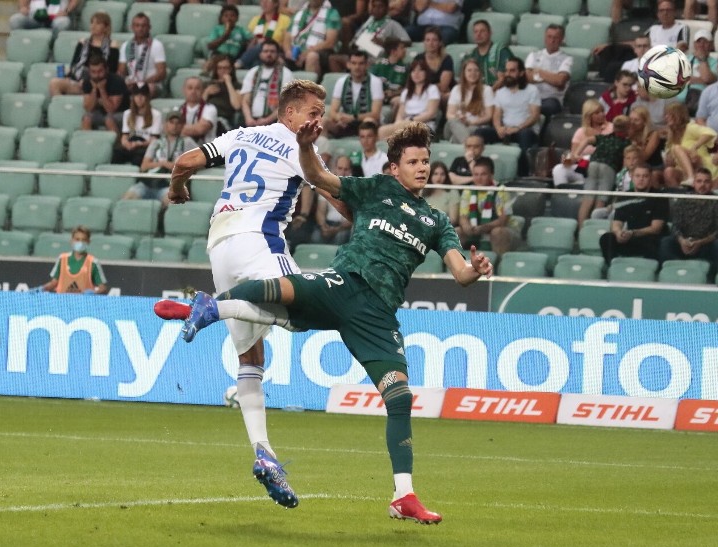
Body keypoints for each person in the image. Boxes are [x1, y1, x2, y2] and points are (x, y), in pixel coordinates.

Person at [156, 119, 493, 523]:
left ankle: (403, 496)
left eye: (426, 161)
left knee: (400, 397)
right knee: (282, 288)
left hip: (378, 315)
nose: (423, 167)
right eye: (414, 161)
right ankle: (211, 307)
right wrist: (303, 145)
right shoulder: (375, 190)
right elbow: (316, 175)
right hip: (343, 283)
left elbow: (460, 274)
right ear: (394, 168)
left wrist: (477, 268)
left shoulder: (436, 221)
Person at [153, 80, 353, 510]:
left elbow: (186, 160)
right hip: (260, 241)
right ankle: (211, 308)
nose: (319, 119)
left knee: (251, 359)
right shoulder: (300, 149)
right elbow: (339, 200)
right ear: (290, 114)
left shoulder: (241, 134)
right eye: (313, 111)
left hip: (219, 245)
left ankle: (264, 453)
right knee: (306, 315)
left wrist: (175, 190)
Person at [476, 57, 541, 178]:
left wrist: (518, 127)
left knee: (525, 135)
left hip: (525, 130)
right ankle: (478, 171)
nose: (508, 74)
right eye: (506, 71)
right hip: (505, 131)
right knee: (479, 133)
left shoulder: (532, 90)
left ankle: (523, 176)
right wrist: (498, 128)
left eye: (512, 71)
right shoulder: (501, 92)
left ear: (521, 73)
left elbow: (534, 116)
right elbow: (496, 115)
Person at [658, 167, 718, 278]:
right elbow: (675, 226)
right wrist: (681, 241)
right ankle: (670, 275)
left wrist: (700, 242)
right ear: (694, 183)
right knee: (666, 242)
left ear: (711, 184)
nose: (702, 185)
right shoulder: (683, 199)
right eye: (699, 181)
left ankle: (712, 279)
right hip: (684, 243)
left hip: (706, 244)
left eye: (706, 181)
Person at [599, 163, 668, 263]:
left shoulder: (660, 197)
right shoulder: (624, 196)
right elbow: (617, 223)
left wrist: (632, 233)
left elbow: (656, 228)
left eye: (645, 176)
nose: (641, 179)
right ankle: (613, 268)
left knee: (656, 242)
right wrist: (618, 233)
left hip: (649, 238)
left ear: (650, 177)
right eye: (638, 176)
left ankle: (648, 272)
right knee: (606, 238)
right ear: (631, 176)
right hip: (630, 237)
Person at [124, 111, 198, 202]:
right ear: (165, 125)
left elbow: (201, 159)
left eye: (178, 123)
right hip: (148, 183)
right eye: (171, 122)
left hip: (170, 185)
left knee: (171, 200)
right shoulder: (156, 143)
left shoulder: (187, 142)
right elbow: (144, 166)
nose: (174, 126)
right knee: (128, 197)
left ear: (182, 125)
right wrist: (164, 164)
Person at [574, 115, 632, 228]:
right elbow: (626, 160)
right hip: (609, 168)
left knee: (588, 199)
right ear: (627, 128)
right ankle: (594, 228)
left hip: (593, 164)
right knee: (601, 199)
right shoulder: (626, 144)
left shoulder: (603, 138)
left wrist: (576, 154)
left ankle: (581, 230)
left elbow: (586, 140)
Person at [459, 156, 521, 256]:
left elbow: (503, 220)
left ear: (491, 175)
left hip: (504, 231)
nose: (478, 178)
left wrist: (483, 228)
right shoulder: (468, 191)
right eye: (476, 174)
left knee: (498, 232)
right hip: (476, 229)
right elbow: (463, 217)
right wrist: (467, 227)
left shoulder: (502, 190)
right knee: (456, 231)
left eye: (483, 174)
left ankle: (499, 268)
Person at [49, 11, 120, 97]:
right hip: (79, 79)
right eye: (92, 22)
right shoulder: (83, 42)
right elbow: (74, 63)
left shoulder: (112, 45)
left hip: (99, 82)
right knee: (54, 83)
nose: (93, 26)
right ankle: (61, 108)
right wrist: (69, 76)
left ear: (106, 27)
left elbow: (112, 69)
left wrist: (89, 81)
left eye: (97, 23)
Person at [328, 0, 410, 72]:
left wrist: (385, 42)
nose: (376, 9)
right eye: (374, 6)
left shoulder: (392, 24)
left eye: (380, 6)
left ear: (386, 8)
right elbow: (356, 38)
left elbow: (407, 41)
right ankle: (346, 83)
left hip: (374, 59)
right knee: (333, 59)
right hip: (358, 54)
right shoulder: (369, 22)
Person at [324, 50, 384, 138]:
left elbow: (376, 114)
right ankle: (321, 149)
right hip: (345, 122)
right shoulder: (341, 82)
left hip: (365, 122)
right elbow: (333, 111)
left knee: (369, 121)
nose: (357, 67)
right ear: (348, 64)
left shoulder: (375, 82)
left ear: (367, 65)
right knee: (323, 122)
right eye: (354, 63)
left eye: (361, 64)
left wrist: (353, 118)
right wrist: (339, 118)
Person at [34, 226, 110, 294]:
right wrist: (41, 289)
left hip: (83, 305)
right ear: (72, 241)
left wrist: (94, 293)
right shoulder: (62, 258)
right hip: (62, 303)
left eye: (83, 240)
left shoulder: (93, 262)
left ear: (88, 242)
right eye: (77, 239)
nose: (80, 242)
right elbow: (54, 283)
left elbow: (103, 288)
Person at [378, 58, 440, 139]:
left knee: (394, 136)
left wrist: (411, 120)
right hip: (405, 124)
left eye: (420, 70)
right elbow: (400, 115)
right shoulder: (406, 92)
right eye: (413, 71)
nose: (416, 73)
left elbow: (431, 114)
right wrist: (399, 124)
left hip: (424, 124)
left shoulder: (432, 89)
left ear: (426, 73)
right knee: (382, 130)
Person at [662, 102, 718, 187]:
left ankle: (691, 178)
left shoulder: (690, 127)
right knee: (668, 171)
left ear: (678, 115)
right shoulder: (671, 136)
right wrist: (669, 160)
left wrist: (694, 147)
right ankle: (679, 195)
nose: (666, 117)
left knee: (677, 148)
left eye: (669, 114)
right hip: (683, 170)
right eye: (665, 115)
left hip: (700, 164)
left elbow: (710, 133)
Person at [525, 24, 572, 126]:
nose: (552, 40)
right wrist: (551, 77)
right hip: (531, 97)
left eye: (555, 38)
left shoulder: (566, 59)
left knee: (546, 107)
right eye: (549, 37)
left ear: (561, 39)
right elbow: (526, 77)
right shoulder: (534, 55)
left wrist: (539, 72)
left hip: (552, 99)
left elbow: (559, 81)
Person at [241, 39, 295, 127]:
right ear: (260, 54)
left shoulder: (286, 73)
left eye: (272, 51)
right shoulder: (253, 72)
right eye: (265, 51)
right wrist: (248, 118)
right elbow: (245, 100)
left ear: (278, 54)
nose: (269, 54)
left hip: (275, 122)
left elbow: (287, 103)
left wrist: (267, 120)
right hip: (251, 121)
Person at [282, 0, 341, 80]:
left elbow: (330, 42)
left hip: (320, 52)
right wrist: (288, 51)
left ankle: (309, 90)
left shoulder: (331, 13)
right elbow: (287, 37)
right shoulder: (299, 13)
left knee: (311, 57)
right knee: (276, 58)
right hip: (296, 51)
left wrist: (306, 53)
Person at [444, 58, 494, 144]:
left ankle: (463, 145)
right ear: (463, 73)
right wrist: (459, 119)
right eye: (469, 70)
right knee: (453, 122)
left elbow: (488, 116)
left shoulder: (487, 90)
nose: (473, 73)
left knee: (470, 130)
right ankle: (470, 144)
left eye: (476, 70)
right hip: (454, 125)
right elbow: (449, 114)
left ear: (480, 73)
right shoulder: (456, 89)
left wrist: (470, 122)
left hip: (476, 126)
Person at [118, 13, 168, 97]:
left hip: (151, 83)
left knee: (149, 88)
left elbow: (162, 73)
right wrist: (126, 81)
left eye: (143, 26)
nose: (140, 29)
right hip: (132, 82)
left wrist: (143, 82)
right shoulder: (126, 46)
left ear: (149, 27)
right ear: (132, 27)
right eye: (137, 25)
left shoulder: (156, 45)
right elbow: (121, 71)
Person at [114, 82, 162, 166]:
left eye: (142, 95)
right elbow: (124, 136)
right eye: (136, 95)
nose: (139, 98)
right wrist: (126, 143)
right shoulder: (127, 114)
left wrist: (139, 144)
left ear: (147, 97)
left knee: (138, 159)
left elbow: (154, 140)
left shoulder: (156, 115)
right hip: (131, 144)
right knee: (116, 154)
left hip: (145, 146)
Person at [312, 155, 355, 244]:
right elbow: (320, 211)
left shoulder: (355, 189)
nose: (342, 172)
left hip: (344, 227)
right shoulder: (327, 186)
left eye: (346, 169)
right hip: (328, 223)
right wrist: (323, 226)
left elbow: (354, 218)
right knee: (315, 236)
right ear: (335, 169)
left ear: (351, 171)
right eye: (340, 168)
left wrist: (336, 229)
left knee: (340, 238)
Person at [82, 54, 130, 133]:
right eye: (93, 72)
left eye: (100, 71)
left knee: (109, 119)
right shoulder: (87, 81)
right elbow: (88, 108)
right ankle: (88, 143)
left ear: (106, 69)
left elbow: (111, 109)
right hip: (100, 113)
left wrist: (102, 89)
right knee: (86, 118)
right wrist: (94, 89)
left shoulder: (117, 81)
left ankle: (116, 145)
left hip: (121, 113)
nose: (97, 75)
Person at [237, 0, 292, 70]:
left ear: (275, 4)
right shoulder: (255, 19)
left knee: (264, 45)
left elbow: (286, 43)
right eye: (262, 1)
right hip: (257, 53)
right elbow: (249, 45)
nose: (264, 3)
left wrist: (267, 43)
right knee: (256, 63)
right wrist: (255, 40)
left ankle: (240, 63)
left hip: (276, 51)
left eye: (267, 1)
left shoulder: (285, 20)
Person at [678, 29, 717, 116]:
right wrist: (701, 79)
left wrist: (702, 59)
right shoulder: (686, 59)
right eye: (699, 41)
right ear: (694, 44)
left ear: (711, 45)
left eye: (705, 42)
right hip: (680, 100)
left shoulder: (716, 62)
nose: (701, 45)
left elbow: (707, 79)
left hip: (701, 101)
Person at [467, 19, 512, 91]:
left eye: (482, 31)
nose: (478, 34)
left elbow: (502, 79)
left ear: (490, 33)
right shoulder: (471, 55)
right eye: (476, 32)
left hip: (498, 92)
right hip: (477, 93)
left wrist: (487, 94)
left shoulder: (501, 51)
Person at [411, 27, 454, 103]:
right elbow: (413, 81)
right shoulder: (418, 58)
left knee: (443, 97)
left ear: (440, 42)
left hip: (439, 94)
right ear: (423, 42)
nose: (431, 43)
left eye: (434, 40)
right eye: (427, 40)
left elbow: (443, 86)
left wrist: (422, 86)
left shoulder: (447, 59)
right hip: (421, 93)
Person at [203, 54, 243, 133]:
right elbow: (198, 106)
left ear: (231, 69)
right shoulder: (208, 84)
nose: (222, 71)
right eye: (219, 68)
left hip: (222, 119)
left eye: (225, 68)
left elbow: (237, 105)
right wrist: (206, 93)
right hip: (205, 117)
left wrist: (228, 83)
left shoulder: (237, 86)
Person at [370, 38, 410, 116]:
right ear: (393, 52)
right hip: (378, 97)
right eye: (402, 48)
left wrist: (394, 93)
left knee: (397, 102)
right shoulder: (378, 65)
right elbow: (369, 81)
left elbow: (408, 88)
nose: (405, 50)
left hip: (395, 98)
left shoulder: (406, 68)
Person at [180, 76, 220, 145]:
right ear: (184, 90)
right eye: (190, 88)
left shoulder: (210, 108)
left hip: (205, 150)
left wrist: (179, 128)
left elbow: (200, 129)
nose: (193, 91)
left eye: (197, 88)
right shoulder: (178, 109)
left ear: (203, 91)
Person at [10, 0, 80, 36]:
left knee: (63, 23)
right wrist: (23, 7)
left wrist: (67, 10)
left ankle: (53, 48)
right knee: (15, 20)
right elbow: (23, 4)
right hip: (34, 16)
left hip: (57, 17)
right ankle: (23, 45)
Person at [425, 160, 460, 227]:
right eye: (435, 174)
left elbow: (453, 219)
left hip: (444, 228)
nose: (439, 177)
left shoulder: (452, 192)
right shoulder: (422, 191)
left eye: (442, 174)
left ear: (446, 176)